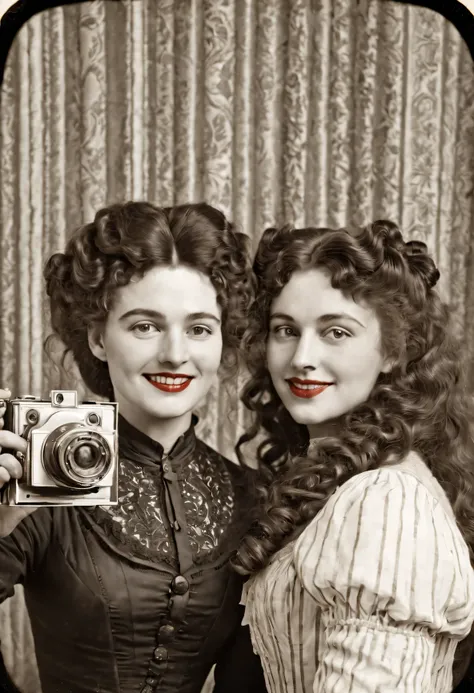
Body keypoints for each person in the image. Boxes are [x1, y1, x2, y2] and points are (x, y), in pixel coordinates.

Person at [0, 201, 266, 693]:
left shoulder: (250, 496)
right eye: (145, 325)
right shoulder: (40, 475)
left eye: (199, 329)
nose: (175, 353)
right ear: (99, 338)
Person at [231, 220, 474, 692]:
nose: (302, 356)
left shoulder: (384, 499)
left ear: (392, 351)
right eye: (286, 330)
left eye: (335, 332)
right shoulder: (349, 478)